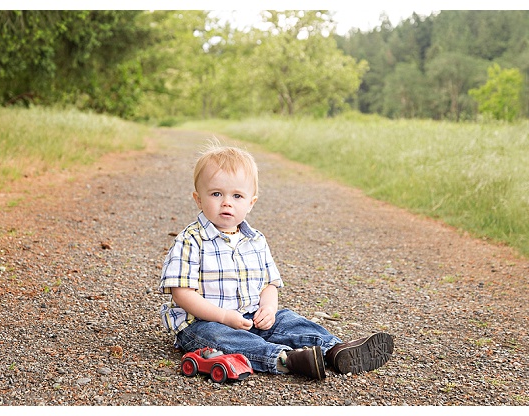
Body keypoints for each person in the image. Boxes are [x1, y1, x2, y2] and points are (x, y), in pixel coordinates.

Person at [158, 142, 394, 380]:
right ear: (198, 199)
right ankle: (285, 359)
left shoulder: (256, 240)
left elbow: (269, 284)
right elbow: (182, 294)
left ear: (251, 203)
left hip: (251, 317)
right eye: (216, 194)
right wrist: (223, 317)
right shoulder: (191, 240)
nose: (227, 202)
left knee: (288, 320)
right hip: (203, 323)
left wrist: (268, 309)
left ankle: (334, 350)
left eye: (237, 195)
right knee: (220, 338)